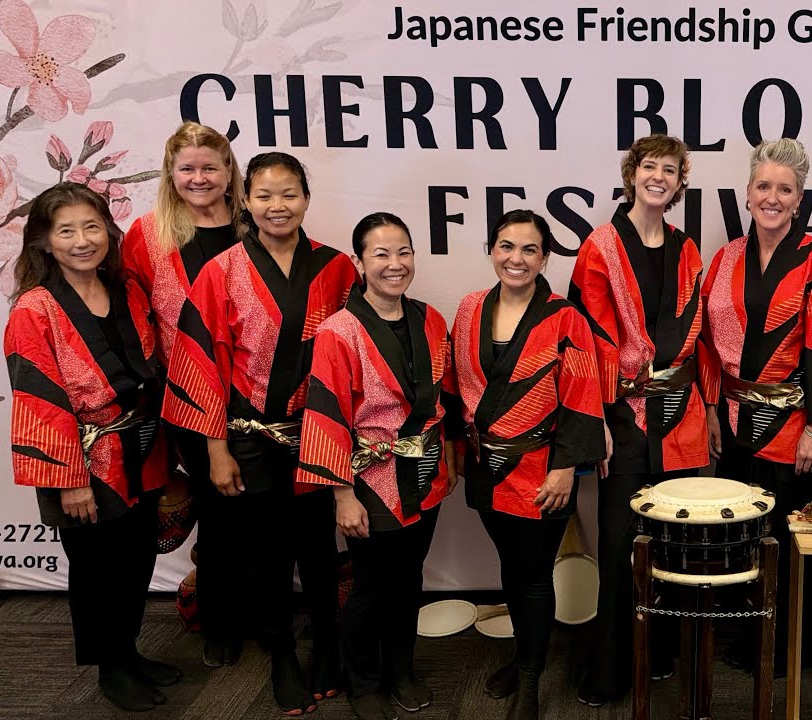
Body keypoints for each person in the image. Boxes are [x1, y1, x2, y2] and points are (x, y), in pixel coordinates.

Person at [162, 153, 359, 715]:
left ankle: (326, 642)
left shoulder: (336, 267)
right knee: (266, 552)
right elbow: (202, 363)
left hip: (314, 430)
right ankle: (282, 657)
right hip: (247, 435)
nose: (278, 205)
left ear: (306, 198)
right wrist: (216, 450)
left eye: (290, 193)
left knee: (320, 546)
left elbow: (352, 351)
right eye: (266, 195)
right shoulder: (221, 270)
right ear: (246, 200)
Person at [5, 183, 179, 711]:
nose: (83, 241)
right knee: (96, 570)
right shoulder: (34, 310)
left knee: (135, 561)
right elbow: (39, 400)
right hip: (83, 462)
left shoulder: (126, 288)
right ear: (43, 241)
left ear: (108, 231)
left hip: (141, 448)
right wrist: (70, 481)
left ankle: (128, 652)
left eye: (92, 227)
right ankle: (110, 669)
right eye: (67, 231)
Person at [699, 138, 812, 673]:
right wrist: (708, 408)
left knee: (788, 535)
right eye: (764, 186)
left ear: (799, 200)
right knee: (743, 530)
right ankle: (749, 630)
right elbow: (703, 339)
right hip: (735, 418)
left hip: (793, 425)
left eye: (785, 190)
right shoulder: (725, 258)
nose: (773, 197)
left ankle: (794, 642)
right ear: (747, 193)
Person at [296, 212, 458, 720]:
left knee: (410, 579)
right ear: (360, 262)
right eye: (381, 254)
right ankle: (363, 681)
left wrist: (448, 460)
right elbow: (326, 415)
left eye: (403, 252)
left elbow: (445, 399)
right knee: (371, 585)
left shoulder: (430, 319)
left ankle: (401, 672)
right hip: (368, 477)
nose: (395, 264)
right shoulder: (338, 332)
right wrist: (341, 494)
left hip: (424, 470)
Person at [450, 210, 606, 720]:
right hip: (486, 467)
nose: (516, 258)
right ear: (491, 250)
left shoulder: (565, 318)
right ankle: (523, 659)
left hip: (543, 472)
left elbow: (583, 397)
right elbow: (454, 387)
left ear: (545, 257)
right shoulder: (470, 309)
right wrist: (455, 451)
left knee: (535, 575)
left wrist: (566, 468)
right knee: (511, 572)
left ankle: (532, 683)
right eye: (506, 246)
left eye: (529, 249)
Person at [568, 134, 706, 705]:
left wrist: (707, 407)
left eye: (670, 169)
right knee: (623, 544)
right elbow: (585, 341)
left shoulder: (687, 247)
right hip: (619, 417)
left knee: (675, 543)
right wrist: (595, 421)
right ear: (632, 174)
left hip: (680, 416)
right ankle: (612, 670)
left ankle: (664, 654)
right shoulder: (598, 248)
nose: (659, 176)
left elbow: (696, 338)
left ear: (679, 183)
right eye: (649, 166)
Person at [121, 120, 248, 668]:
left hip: (256, 395)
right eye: (187, 168)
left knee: (259, 511)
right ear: (171, 174)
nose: (199, 178)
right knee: (219, 512)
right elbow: (131, 315)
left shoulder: (252, 225)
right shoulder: (148, 234)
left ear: (228, 172)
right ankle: (219, 621)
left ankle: (261, 611)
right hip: (188, 397)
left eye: (210, 167)